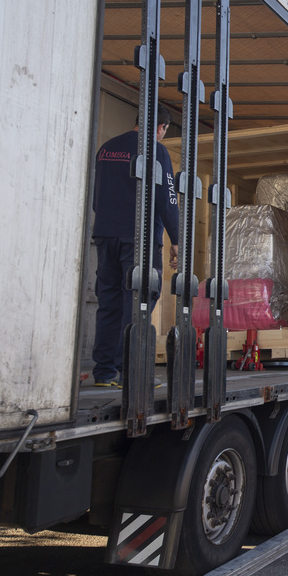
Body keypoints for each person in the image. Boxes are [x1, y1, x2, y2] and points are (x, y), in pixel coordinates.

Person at [91, 107, 180, 386]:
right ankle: (131, 372)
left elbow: (96, 196)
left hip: (105, 235)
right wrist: (176, 240)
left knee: (109, 303)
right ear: (162, 128)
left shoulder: (106, 148)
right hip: (138, 238)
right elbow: (167, 199)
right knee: (140, 301)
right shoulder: (157, 151)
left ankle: (105, 372)